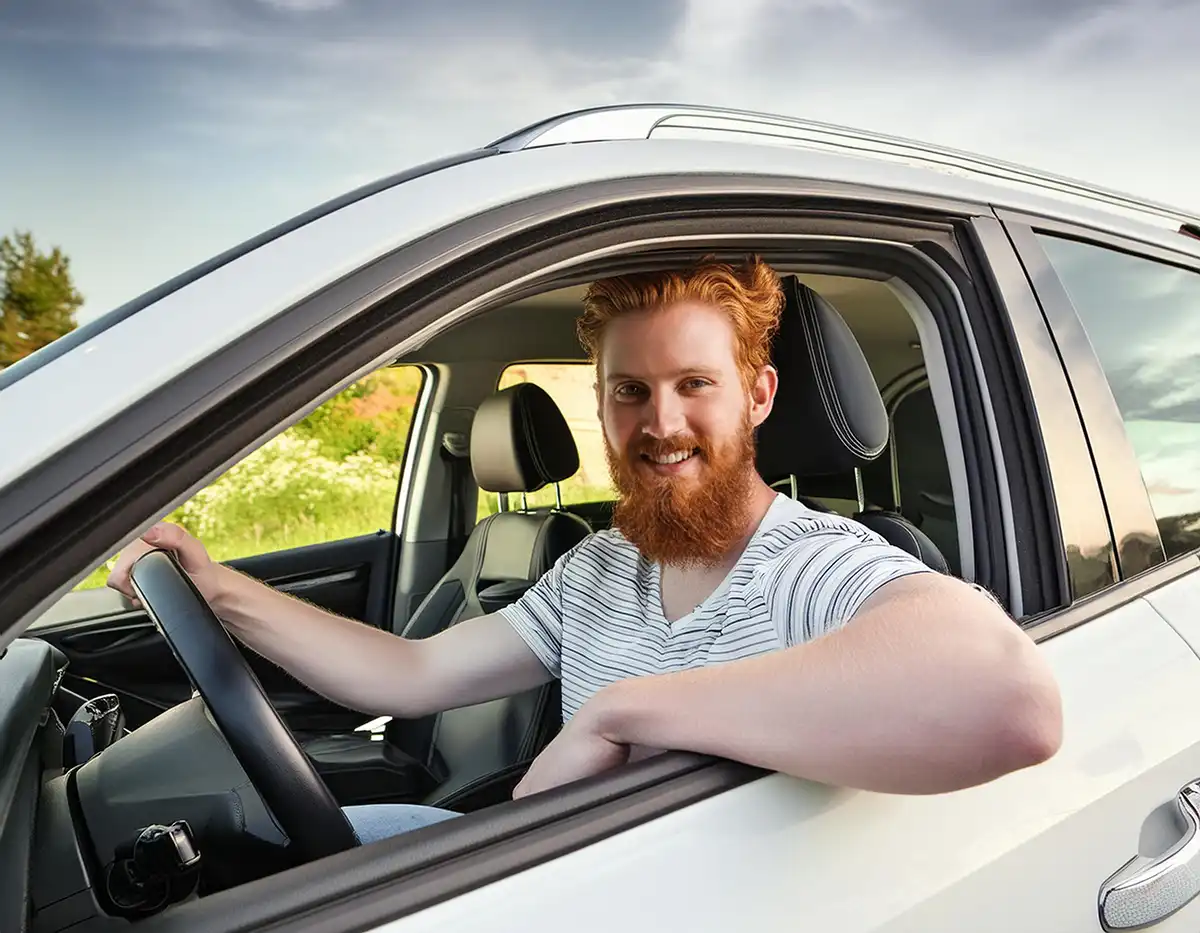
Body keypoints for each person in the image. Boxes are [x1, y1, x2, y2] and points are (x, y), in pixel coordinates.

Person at [107, 257, 1062, 845]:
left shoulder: (812, 566)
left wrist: (623, 710)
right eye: (628, 391)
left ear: (759, 396)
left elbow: (1011, 700)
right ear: (598, 400)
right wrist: (215, 585)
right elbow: (406, 672)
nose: (662, 423)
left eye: (696, 383)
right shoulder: (598, 566)